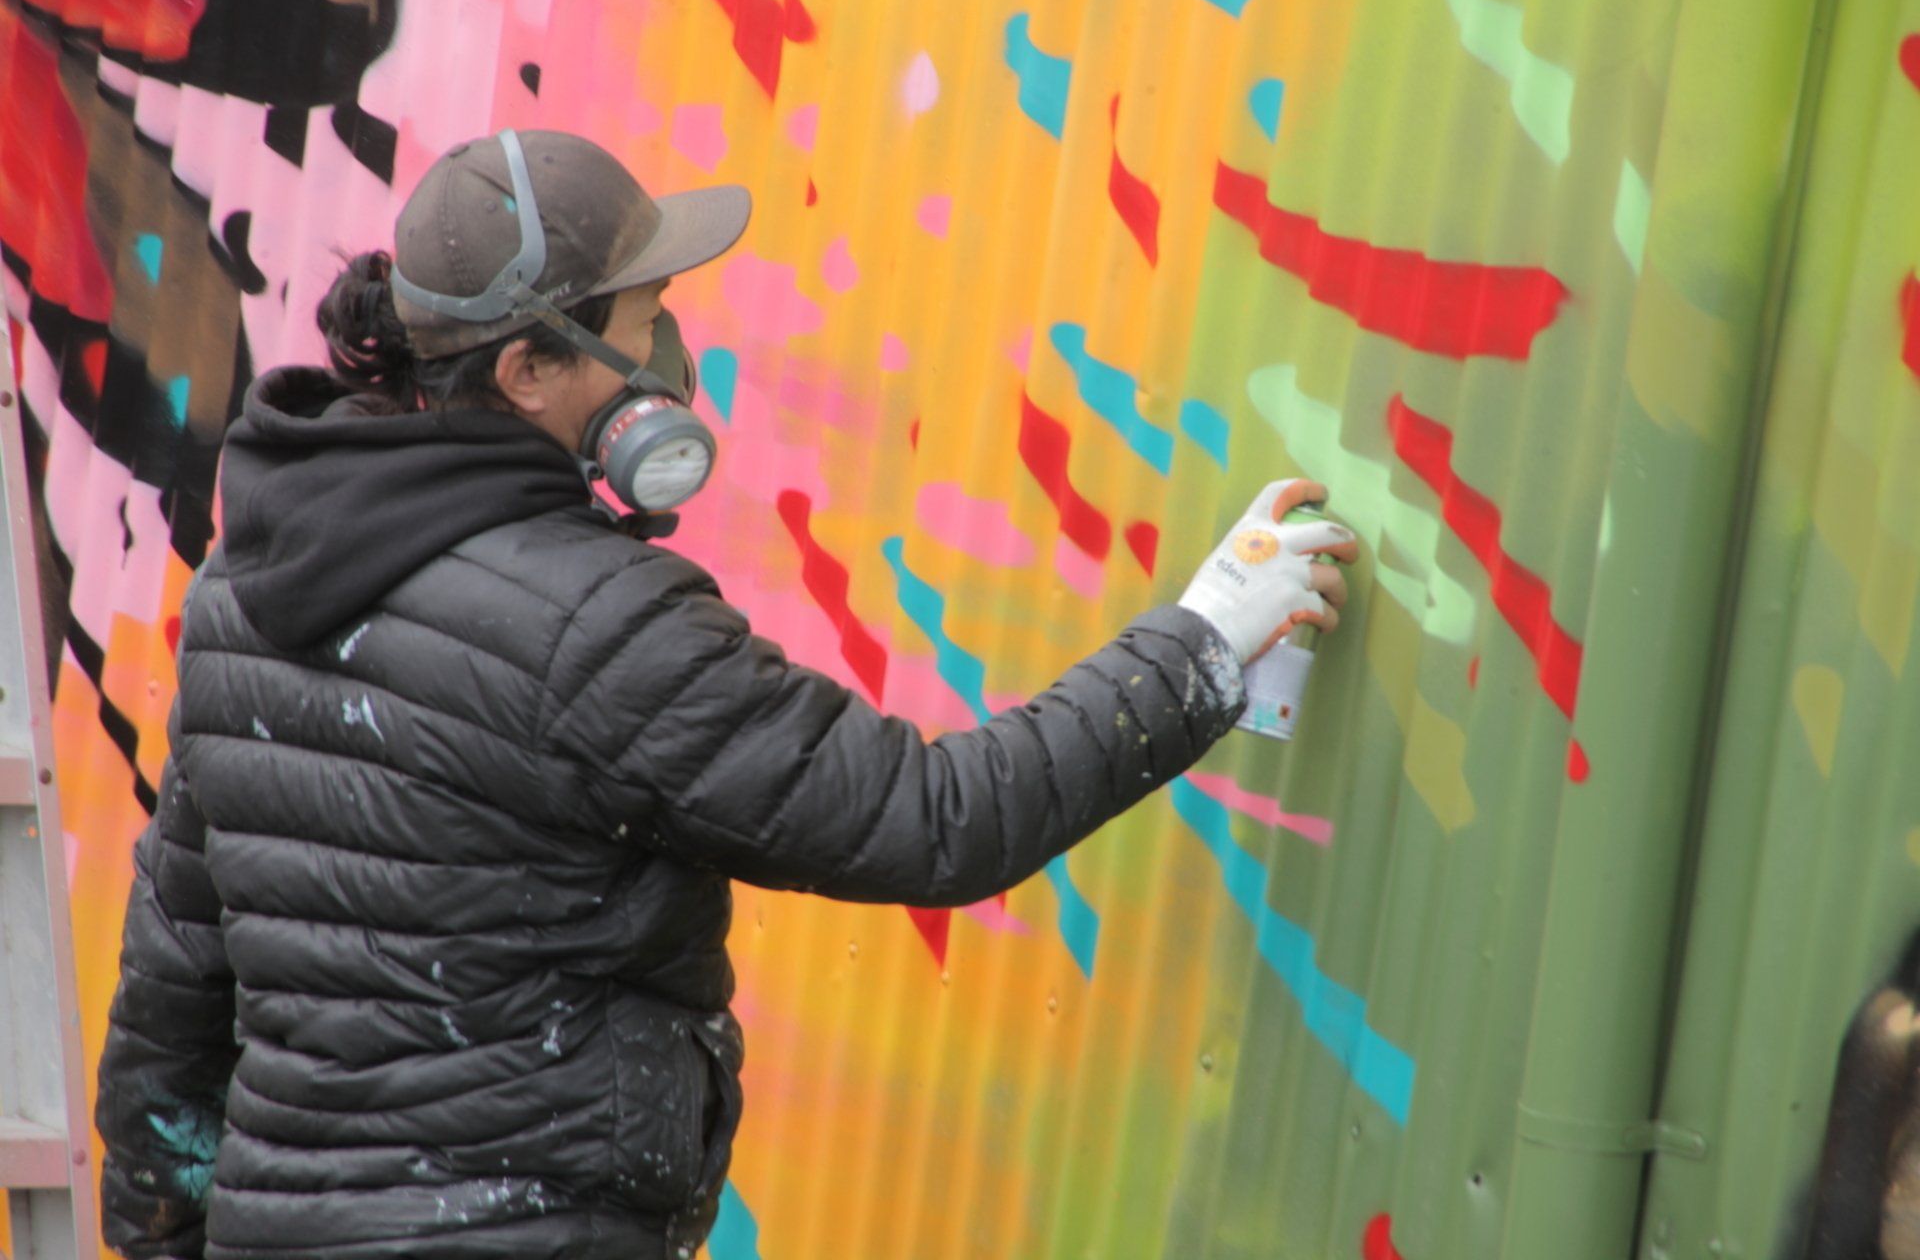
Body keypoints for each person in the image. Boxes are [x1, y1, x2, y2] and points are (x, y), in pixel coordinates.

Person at [93, 129, 1357, 1260]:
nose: (669, 357)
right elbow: (933, 816)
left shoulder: (245, 591)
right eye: (642, 322)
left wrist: (161, 1234)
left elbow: (176, 979)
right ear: (529, 370)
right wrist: (1201, 643)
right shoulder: (596, 624)